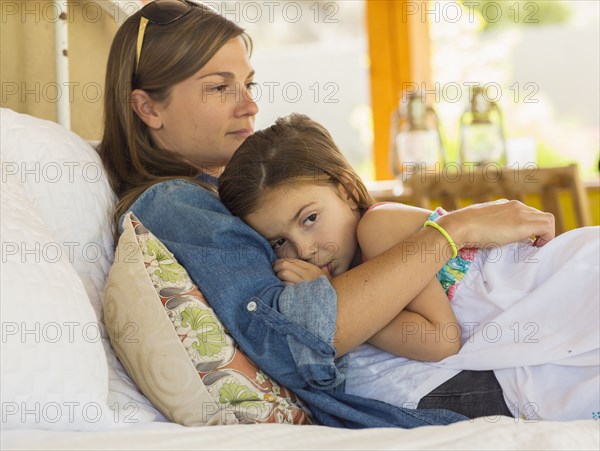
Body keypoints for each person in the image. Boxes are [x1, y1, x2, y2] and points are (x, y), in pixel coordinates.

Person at [99, 0, 558, 427]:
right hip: (417, 386)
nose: (249, 105)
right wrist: (455, 229)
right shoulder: (174, 203)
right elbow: (295, 339)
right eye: (220, 87)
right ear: (147, 108)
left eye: (248, 84)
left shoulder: (226, 191)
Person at [218, 113, 600, 421]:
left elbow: (439, 340)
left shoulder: (378, 227)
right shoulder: (367, 258)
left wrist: (334, 298)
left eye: (310, 218)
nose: (303, 249)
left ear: (348, 191)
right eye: (279, 242)